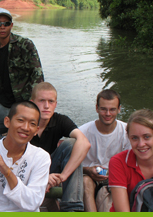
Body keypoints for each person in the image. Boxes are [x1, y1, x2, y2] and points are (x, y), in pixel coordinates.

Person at [0, 7, 44, 147]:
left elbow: (37, 75)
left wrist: (30, 104)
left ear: (11, 25)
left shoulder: (25, 45)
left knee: (23, 134)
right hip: (3, 102)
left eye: (6, 23)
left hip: (24, 102)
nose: (2, 27)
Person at [30, 82, 91, 212]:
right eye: (41, 101)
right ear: (32, 102)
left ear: (56, 104)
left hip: (52, 169)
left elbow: (84, 143)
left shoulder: (60, 120)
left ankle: (72, 209)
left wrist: (63, 175)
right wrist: (42, 177)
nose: (46, 106)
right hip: (28, 171)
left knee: (72, 144)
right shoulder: (25, 122)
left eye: (51, 101)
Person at [79, 89, 131, 212]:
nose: (108, 114)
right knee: (86, 181)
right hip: (90, 177)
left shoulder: (128, 132)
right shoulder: (82, 132)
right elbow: (67, 164)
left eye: (112, 109)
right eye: (103, 109)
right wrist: (88, 170)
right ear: (97, 108)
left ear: (119, 109)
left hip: (115, 178)